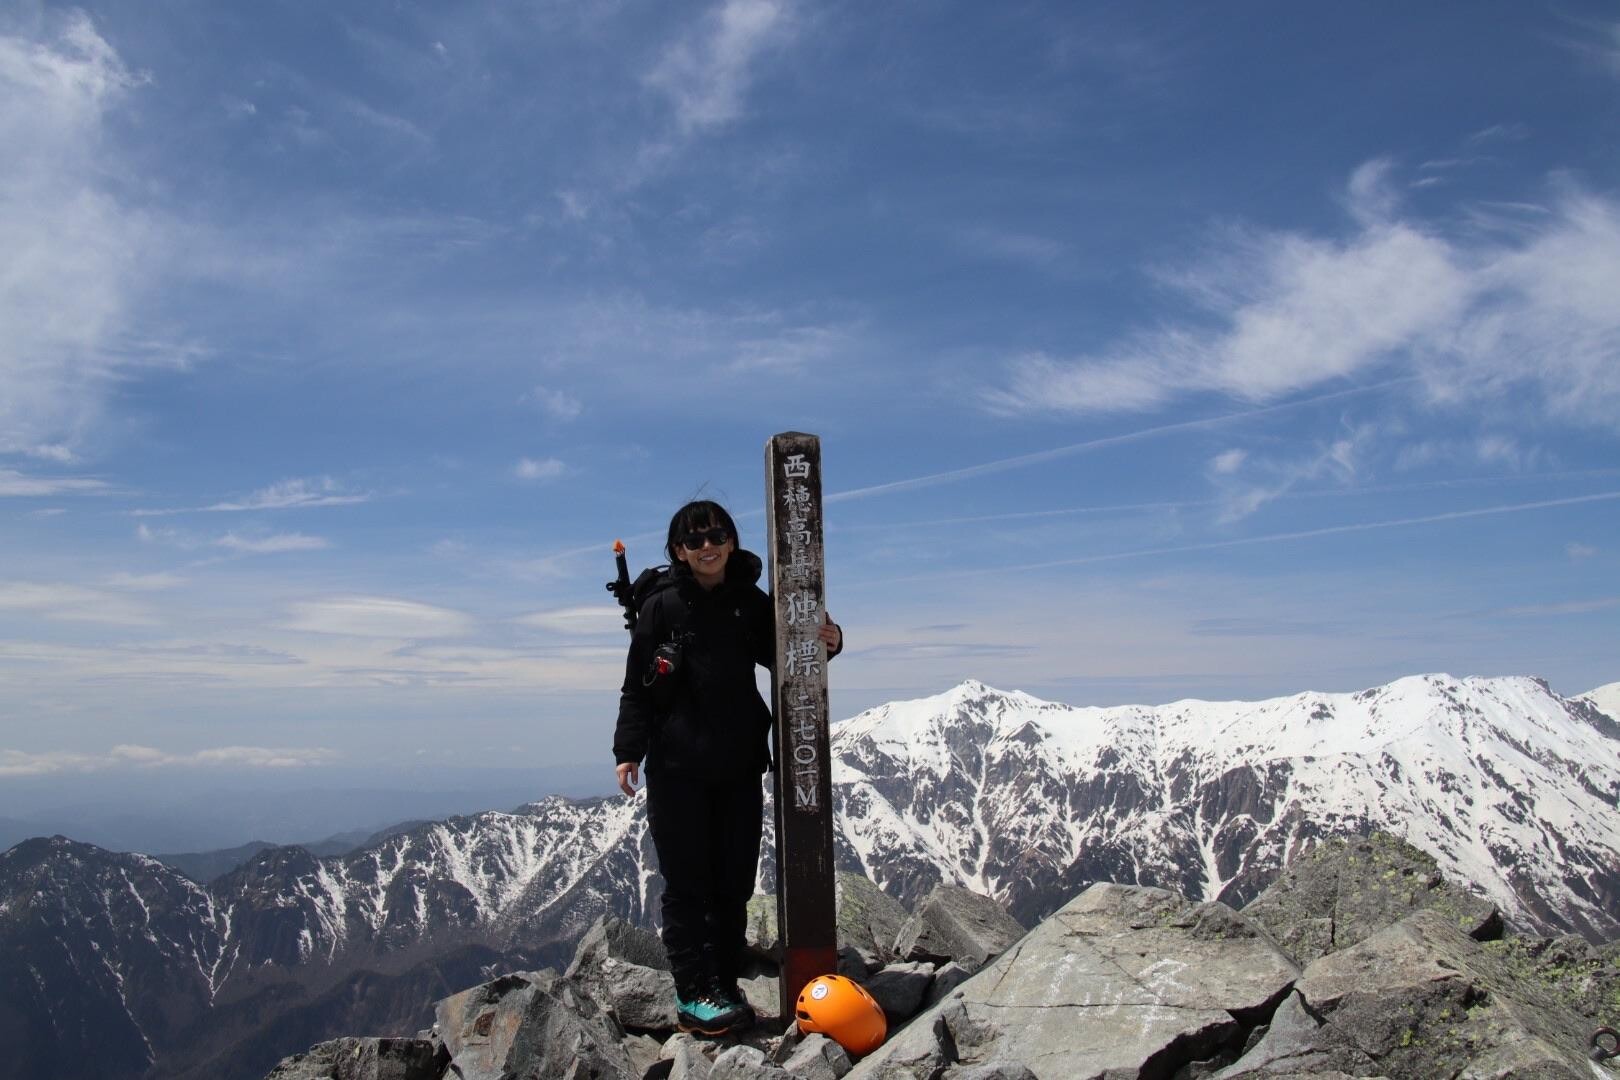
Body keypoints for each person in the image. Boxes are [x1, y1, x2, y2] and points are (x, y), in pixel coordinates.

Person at [613, 499, 842, 1036]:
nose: (708, 546)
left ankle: (722, 978)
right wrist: (629, 750)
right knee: (689, 879)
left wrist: (828, 641)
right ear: (679, 552)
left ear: (732, 541)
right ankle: (694, 991)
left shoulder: (748, 601)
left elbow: (781, 652)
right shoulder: (661, 607)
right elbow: (636, 687)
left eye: (717, 534)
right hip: (677, 767)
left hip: (739, 762)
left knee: (734, 874)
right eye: (695, 541)